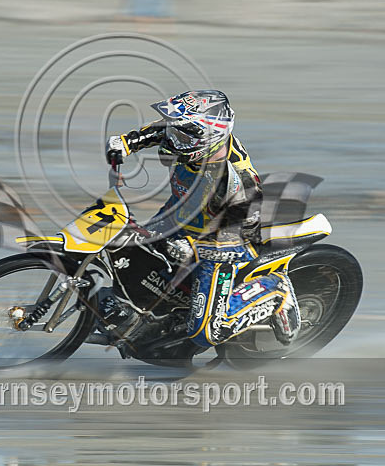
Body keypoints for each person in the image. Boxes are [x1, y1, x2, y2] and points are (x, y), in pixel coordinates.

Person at [105, 90, 301, 347]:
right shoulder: (191, 136)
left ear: (207, 138)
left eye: (181, 135)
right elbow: (162, 129)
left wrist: (196, 248)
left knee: (207, 333)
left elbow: (243, 238)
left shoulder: (238, 183)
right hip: (178, 216)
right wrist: (125, 143)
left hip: (220, 247)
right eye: (176, 130)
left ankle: (276, 291)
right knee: (127, 252)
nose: (173, 138)